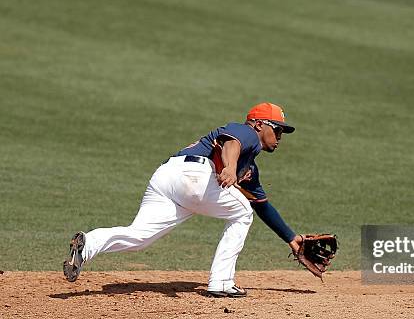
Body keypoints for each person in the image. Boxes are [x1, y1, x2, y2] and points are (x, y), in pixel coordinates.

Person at [63, 102, 304, 297]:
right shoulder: (247, 132)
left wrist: (291, 239)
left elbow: (262, 206)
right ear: (260, 124)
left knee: (140, 237)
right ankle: (221, 281)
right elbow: (232, 143)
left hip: (167, 176)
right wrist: (230, 168)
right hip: (195, 175)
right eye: (278, 129)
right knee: (241, 214)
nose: (280, 136)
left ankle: (88, 244)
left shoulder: (249, 167)